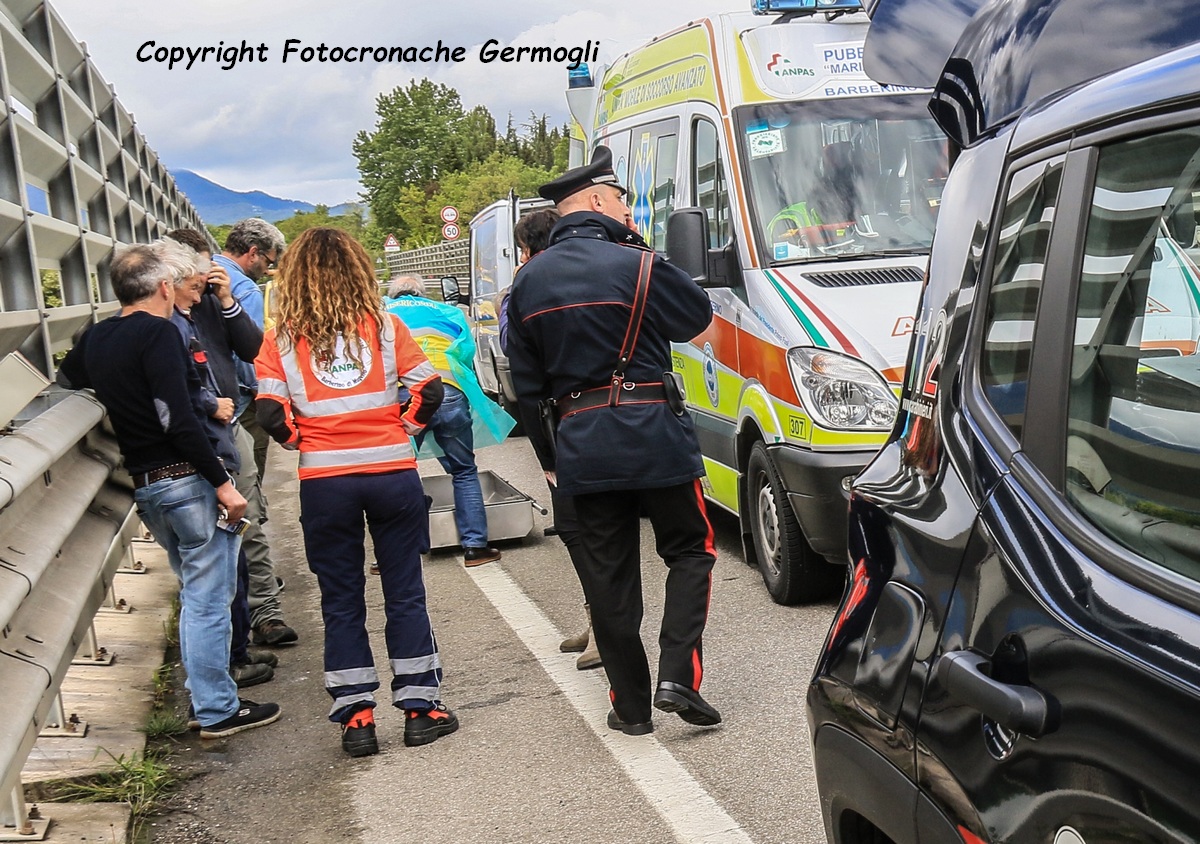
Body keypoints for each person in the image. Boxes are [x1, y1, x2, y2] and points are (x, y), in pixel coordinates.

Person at [506, 146, 720, 735]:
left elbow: (527, 388)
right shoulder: (639, 263)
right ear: (599, 202)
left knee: (608, 577)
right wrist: (644, 254)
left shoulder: (527, 283)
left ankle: (631, 706)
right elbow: (695, 317)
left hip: (581, 443)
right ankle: (679, 674)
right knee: (690, 552)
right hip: (655, 434)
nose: (629, 210)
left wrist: (552, 460)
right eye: (623, 200)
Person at [58, 245, 280, 739]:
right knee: (209, 600)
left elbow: (68, 381)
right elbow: (176, 418)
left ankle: (207, 700)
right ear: (163, 287)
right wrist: (222, 484)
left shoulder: (96, 337)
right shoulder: (160, 333)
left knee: (195, 592)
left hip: (147, 485)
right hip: (189, 479)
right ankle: (218, 709)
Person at [254, 227, 457, 757]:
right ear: (359, 271)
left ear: (295, 278)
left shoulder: (280, 341)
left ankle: (357, 718)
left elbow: (270, 413)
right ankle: (421, 709)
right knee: (405, 590)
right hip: (391, 472)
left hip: (326, 482)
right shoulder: (386, 328)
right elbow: (429, 389)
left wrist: (308, 439)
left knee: (340, 599)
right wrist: (404, 428)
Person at [163, 230, 277, 689]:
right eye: (197, 278)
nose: (204, 283)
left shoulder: (211, 301)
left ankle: (256, 624)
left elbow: (253, 348)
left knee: (244, 527)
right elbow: (170, 382)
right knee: (213, 561)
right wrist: (208, 402)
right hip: (200, 437)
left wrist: (225, 300)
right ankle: (220, 673)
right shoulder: (162, 320)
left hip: (229, 429)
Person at [503, 210, 600, 671]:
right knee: (587, 529)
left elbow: (517, 358)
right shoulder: (591, 273)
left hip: (563, 421)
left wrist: (545, 454)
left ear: (528, 249)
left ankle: (605, 627)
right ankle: (597, 617)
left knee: (580, 529)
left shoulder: (527, 288)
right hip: (599, 415)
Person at [385, 275, 513, 567]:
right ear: (422, 293)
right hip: (448, 391)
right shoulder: (448, 312)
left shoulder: (382, 312)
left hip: (402, 394)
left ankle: (393, 552)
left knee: (394, 472)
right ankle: (475, 547)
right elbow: (465, 355)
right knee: (464, 471)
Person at [213, 218, 297, 648]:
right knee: (249, 510)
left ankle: (238, 615)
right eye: (268, 260)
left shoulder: (198, 278)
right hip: (237, 411)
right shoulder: (238, 288)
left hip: (207, 416)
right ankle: (263, 609)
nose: (268, 270)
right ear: (251, 251)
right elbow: (255, 354)